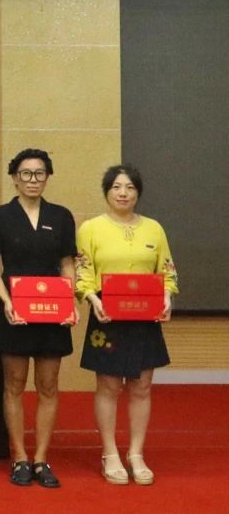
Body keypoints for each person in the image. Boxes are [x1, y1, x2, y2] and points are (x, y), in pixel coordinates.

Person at [0, 149, 78, 488]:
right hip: (13, 309)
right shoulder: (0, 216)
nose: (32, 180)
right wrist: (6, 300)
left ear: (47, 177)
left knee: (48, 385)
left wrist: (69, 300)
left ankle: (41, 459)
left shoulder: (61, 216)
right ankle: (20, 457)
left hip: (52, 310)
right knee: (14, 384)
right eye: (25, 173)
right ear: (14, 178)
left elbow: (67, 263)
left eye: (39, 173)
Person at [76, 165, 176, 486]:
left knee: (142, 385)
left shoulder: (154, 229)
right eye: (116, 187)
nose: (123, 193)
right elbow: (82, 271)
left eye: (130, 187)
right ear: (107, 192)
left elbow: (167, 271)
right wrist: (92, 299)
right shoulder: (91, 228)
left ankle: (136, 453)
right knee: (108, 385)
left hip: (145, 316)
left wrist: (166, 297)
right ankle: (109, 453)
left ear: (138, 192)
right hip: (106, 313)